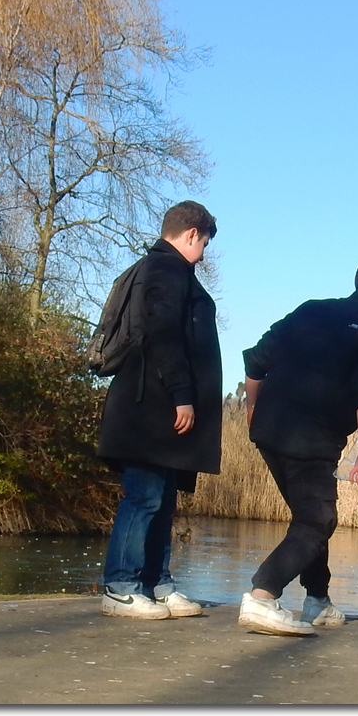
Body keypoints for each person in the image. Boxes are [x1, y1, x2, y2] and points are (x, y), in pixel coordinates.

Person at [238, 255, 358, 636]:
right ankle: (262, 597)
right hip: (311, 434)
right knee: (318, 520)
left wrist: (251, 408)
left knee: (309, 514)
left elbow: (256, 360)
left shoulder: (312, 310)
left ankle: (317, 600)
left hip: (268, 427)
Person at [96, 201, 222, 619]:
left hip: (156, 406)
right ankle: (120, 586)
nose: (203, 253)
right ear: (191, 235)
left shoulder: (166, 269)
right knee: (144, 496)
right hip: (149, 408)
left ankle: (156, 582)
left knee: (163, 498)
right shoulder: (166, 270)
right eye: (203, 243)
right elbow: (164, 333)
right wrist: (183, 393)